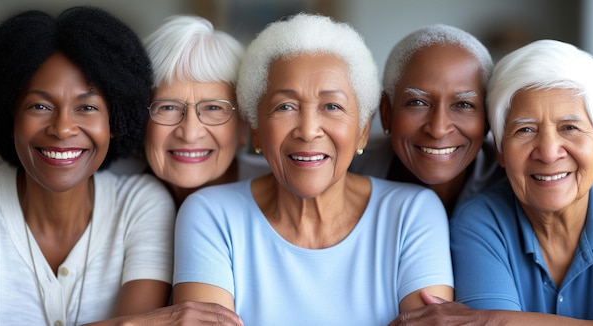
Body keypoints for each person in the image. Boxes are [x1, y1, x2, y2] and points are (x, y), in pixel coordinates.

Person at [173, 13, 453, 325]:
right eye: (285, 107)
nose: (308, 131)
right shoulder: (211, 214)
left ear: (362, 129)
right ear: (255, 130)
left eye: (331, 106)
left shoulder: (412, 214)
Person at [390, 40, 593, 325]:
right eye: (525, 129)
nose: (548, 153)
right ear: (499, 147)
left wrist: (493, 319)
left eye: (569, 128)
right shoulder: (480, 221)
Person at [0, 7, 175, 325]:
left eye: (87, 107)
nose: (63, 128)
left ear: (114, 121)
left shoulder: (140, 205)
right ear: (10, 119)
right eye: (39, 105)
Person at [350, 24, 593, 214]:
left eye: (464, 104)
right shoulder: (348, 173)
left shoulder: (519, 162)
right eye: (417, 102)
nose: (439, 128)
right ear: (386, 113)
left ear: (490, 119)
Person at [143, 15, 246, 206]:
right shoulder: (109, 196)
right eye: (168, 107)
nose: (190, 134)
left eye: (213, 108)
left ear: (243, 126)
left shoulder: (281, 195)